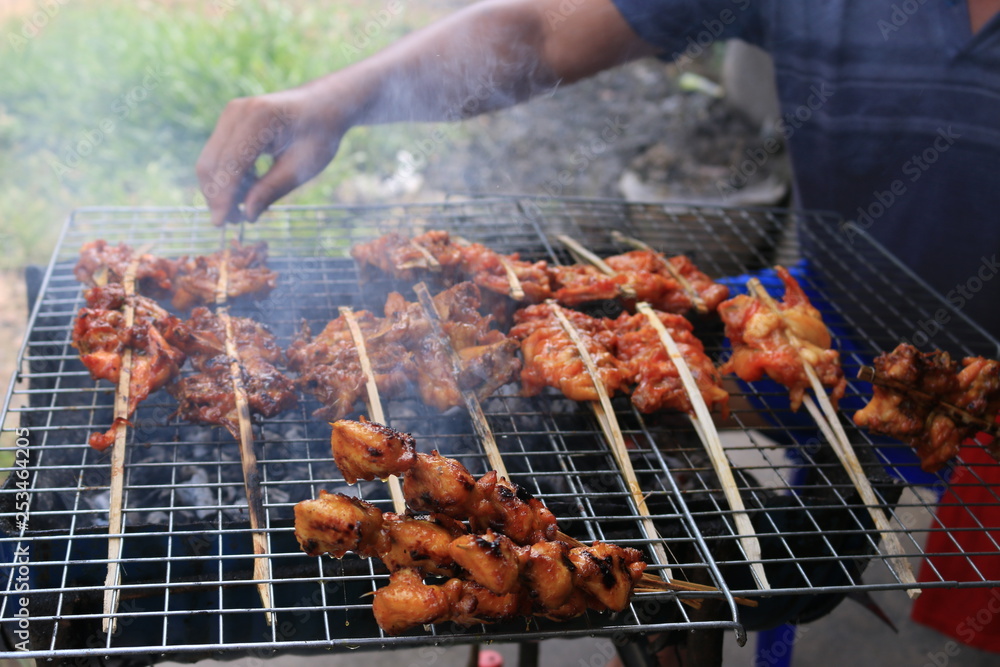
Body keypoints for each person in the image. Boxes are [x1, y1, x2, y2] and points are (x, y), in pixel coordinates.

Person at [197, 0, 1000, 656]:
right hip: (817, 319)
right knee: (695, 510)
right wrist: (335, 99)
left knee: (974, 621)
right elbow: (544, 27)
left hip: (971, 392)